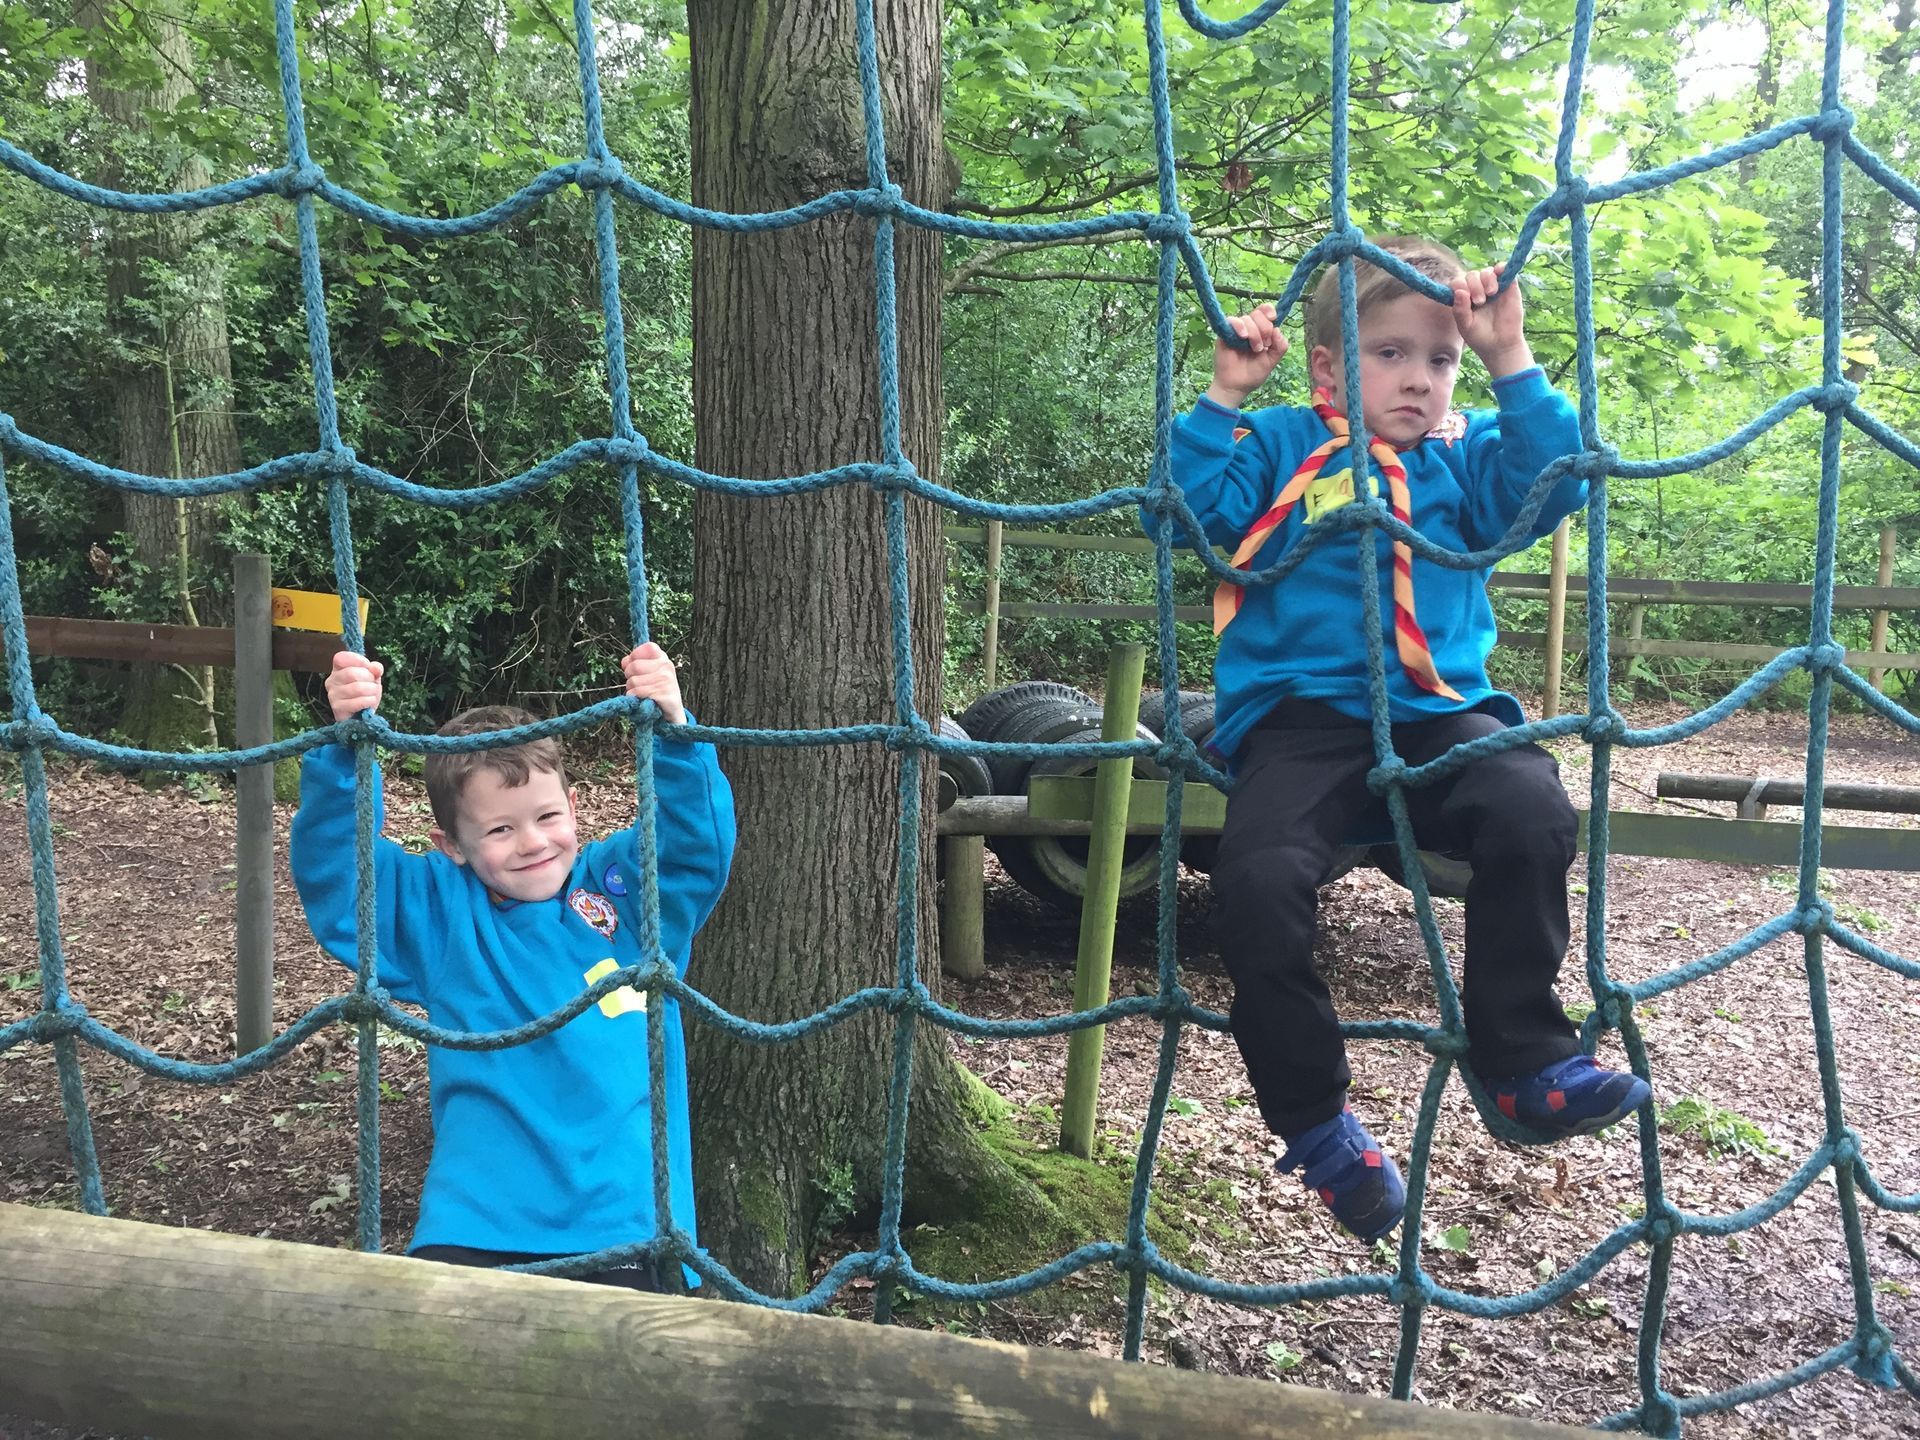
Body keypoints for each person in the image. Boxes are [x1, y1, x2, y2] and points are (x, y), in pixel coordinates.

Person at [1165, 235, 1649, 1242]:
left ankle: (1521, 1062)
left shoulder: (1462, 462)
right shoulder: (1280, 444)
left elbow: (1555, 482)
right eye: (1392, 354)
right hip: (1301, 726)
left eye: (1440, 360)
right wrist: (1221, 397)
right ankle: (1315, 1123)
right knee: (1254, 881)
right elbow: (1186, 520)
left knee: (1530, 805)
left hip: (1440, 714)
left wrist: (1509, 360)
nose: (1420, 381)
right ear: (1333, 364)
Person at [291, 642, 735, 1288]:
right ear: (451, 846)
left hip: (629, 1228)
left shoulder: (623, 897)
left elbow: (697, 845)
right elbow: (342, 879)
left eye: (547, 816)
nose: (531, 843)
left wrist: (674, 730)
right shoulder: (442, 913)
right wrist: (343, 753)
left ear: (574, 809)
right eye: (499, 830)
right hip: (477, 1231)